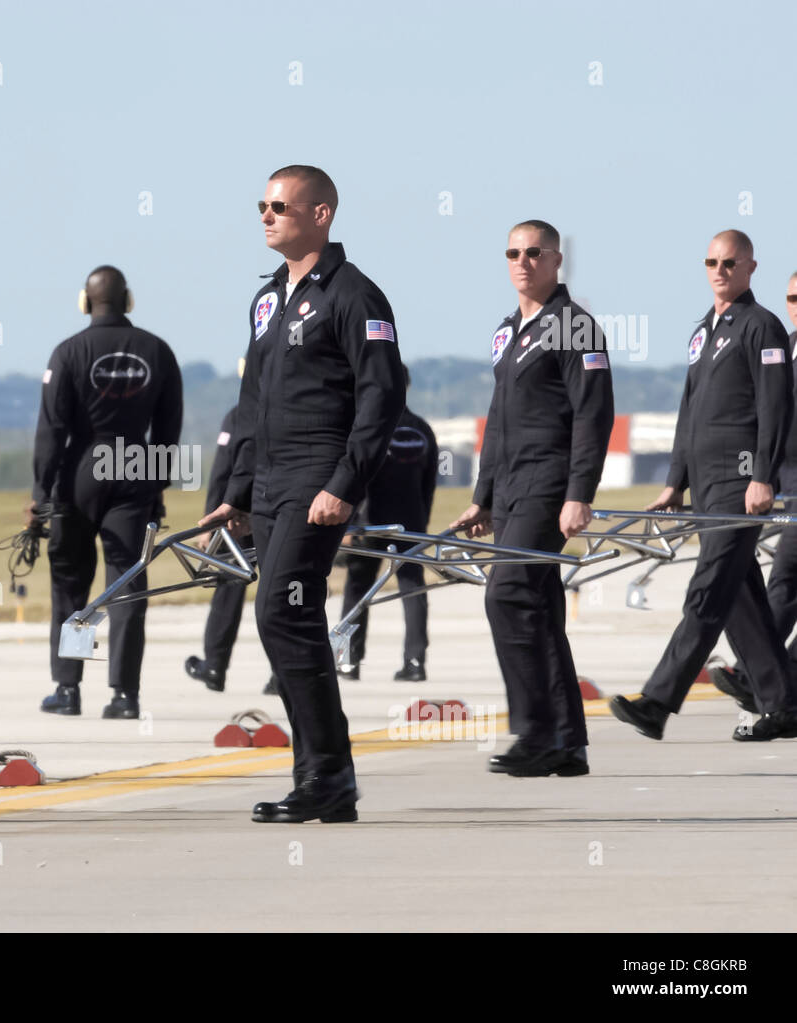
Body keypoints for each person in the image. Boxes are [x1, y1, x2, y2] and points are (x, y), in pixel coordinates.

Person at [201, 165, 405, 823]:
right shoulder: (267, 299)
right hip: (267, 482)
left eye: (280, 205)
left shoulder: (355, 296)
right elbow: (252, 402)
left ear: (320, 214)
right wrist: (234, 492)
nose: (267, 215)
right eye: (261, 205)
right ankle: (320, 778)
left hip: (317, 480)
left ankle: (329, 775)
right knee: (289, 619)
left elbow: (382, 395)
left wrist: (345, 484)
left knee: (282, 612)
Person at [610, 232, 797, 741]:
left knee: (709, 587)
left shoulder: (763, 327)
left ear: (749, 267)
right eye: (712, 262)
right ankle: (783, 703)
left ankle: (658, 700)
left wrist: (763, 474)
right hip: (707, 483)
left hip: (740, 481)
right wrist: (675, 482)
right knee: (739, 591)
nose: (719, 270)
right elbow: (689, 411)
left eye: (729, 263)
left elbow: (776, 408)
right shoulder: (705, 330)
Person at [451, 219, 613, 777]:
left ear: (556, 260)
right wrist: (482, 496)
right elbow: (497, 420)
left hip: (550, 484)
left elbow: (594, 415)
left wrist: (579, 494)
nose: (522, 261)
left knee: (508, 597)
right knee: (539, 608)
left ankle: (536, 732)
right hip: (512, 486)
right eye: (513, 253)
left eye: (534, 252)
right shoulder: (508, 330)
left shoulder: (575, 327)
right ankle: (567, 743)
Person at [28, 266, 182, 719]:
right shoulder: (158, 351)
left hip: (80, 473)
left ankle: (68, 689)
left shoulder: (68, 352)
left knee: (72, 584)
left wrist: (41, 491)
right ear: (128, 300)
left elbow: (51, 431)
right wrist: (156, 484)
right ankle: (124, 696)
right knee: (128, 585)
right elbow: (168, 430)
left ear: (85, 301)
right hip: (135, 470)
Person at [710, 270, 797, 713]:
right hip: (790, 484)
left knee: (785, 576)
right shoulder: (786, 345)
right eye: (792, 298)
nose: (796, 305)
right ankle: (776, 681)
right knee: (785, 579)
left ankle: (762, 678)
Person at [337, 364, 438, 682]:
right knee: (412, 588)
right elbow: (429, 485)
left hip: (369, 525)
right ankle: (415, 662)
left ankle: (347, 661)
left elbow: (352, 479)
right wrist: (422, 521)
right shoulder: (423, 430)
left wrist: (349, 524)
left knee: (356, 590)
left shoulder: (367, 427)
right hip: (411, 522)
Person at [184, 386, 277, 696]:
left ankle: (215, 666)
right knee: (281, 592)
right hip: (281, 513)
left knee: (228, 588)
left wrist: (211, 520)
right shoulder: (296, 412)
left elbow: (223, 470)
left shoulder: (239, 416)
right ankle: (283, 671)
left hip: (238, 517)